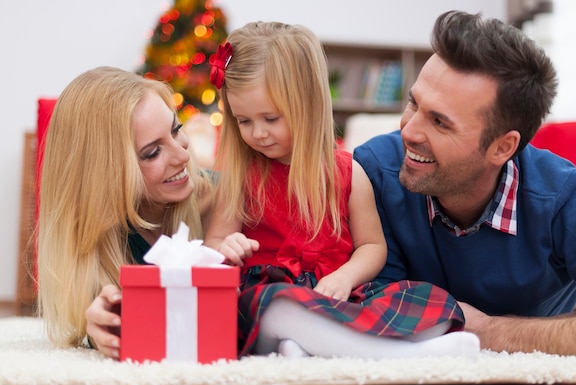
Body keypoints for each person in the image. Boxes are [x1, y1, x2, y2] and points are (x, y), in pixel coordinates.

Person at [353, 10, 576, 358]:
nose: (408, 131)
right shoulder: (374, 172)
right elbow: (367, 307)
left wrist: (489, 331)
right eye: (413, 103)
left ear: (502, 147)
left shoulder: (567, 198)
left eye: (439, 121)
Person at [205, 21, 479, 358]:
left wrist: (345, 278)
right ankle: (401, 355)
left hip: (338, 295)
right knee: (275, 305)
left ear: (307, 105)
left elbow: (372, 246)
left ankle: (309, 347)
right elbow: (213, 244)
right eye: (244, 121)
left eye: (271, 118)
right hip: (271, 297)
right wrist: (226, 247)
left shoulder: (348, 172)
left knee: (435, 300)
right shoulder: (242, 176)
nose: (258, 133)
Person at [37, 66, 215, 359]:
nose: (183, 155)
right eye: (152, 152)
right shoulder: (100, 248)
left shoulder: (220, 200)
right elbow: (96, 314)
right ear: (103, 176)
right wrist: (99, 326)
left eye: (176, 130)